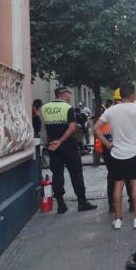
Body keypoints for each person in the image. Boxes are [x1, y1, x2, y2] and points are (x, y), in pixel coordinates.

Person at [94, 82, 136, 230]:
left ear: (120, 95)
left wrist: (107, 144)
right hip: (135, 153)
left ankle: (118, 220)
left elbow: (96, 128)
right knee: (135, 184)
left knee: (118, 185)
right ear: (132, 95)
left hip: (116, 153)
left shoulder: (110, 111)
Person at [40, 86, 97, 214]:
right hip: (67, 145)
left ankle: (60, 205)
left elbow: (43, 130)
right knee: (76, 173)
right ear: (62, 94)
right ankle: (82, 202)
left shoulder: (44, 108)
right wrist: (60, 141)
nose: (70, 95)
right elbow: (72, 128)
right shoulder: (67, 108)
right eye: (68, 93)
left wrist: (48, 144)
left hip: (52, 147)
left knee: (57, 175)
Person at [94, 89, 133, 213]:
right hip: (126, 149)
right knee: (128, 177)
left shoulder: (106, 114)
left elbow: (97, 131)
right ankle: (132, 203)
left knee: (113, 177)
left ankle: (112, 204)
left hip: (109, 150)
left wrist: (102, 148)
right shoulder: (130, 113)